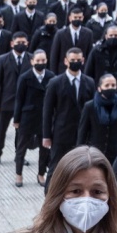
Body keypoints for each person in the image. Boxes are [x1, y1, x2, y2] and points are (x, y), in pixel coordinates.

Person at [43, 48, 96, 190]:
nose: (76, 63)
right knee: (56, 166)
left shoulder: (89, 82)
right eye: (72, 60)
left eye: (78, 60)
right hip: (61, 132)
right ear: (66, 61)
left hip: (82, 133)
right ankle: (49, 196)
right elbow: (48, 111)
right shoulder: (55, 83)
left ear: (83, 61)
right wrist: (46, 135)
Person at [13, 49, 54, 187]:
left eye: (43, 61)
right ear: (32, 62)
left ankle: (41, 173)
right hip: (28, 117)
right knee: (21, 147)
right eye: (38, 61)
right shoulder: (25, 77)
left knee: (44, 149)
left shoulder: (51, 76)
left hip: (44, 118)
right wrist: (16, 119)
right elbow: (19, 99)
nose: (41, 63)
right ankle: (19, 174)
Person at [0, 31, 31, 166]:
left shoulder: (31, 59)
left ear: (27, 43)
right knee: (1, 130)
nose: (20, 45)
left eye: (23, 42)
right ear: (12, 43)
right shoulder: (3, 59)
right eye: (18, 42)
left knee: (22, 132)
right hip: (6, 101)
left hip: (24, 103)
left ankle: (19, 155)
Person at [77, 74, 117, 162]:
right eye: (107, 85)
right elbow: (83, 132)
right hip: (94, 153)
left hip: (115, 153)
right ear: (99, 88)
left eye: (113, 85)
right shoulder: (90, 106)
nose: (110, 88)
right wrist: (79, 154)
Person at [50, 8, 93, 74]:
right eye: (75, 17)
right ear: (70, 18)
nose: (77, 19)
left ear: (83, 18)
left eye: (79, 17)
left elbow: (89, 54)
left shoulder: (88, 33)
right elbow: (54, 54)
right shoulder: (60, 33)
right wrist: (53, 73)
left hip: (82, 71)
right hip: (63, 71)